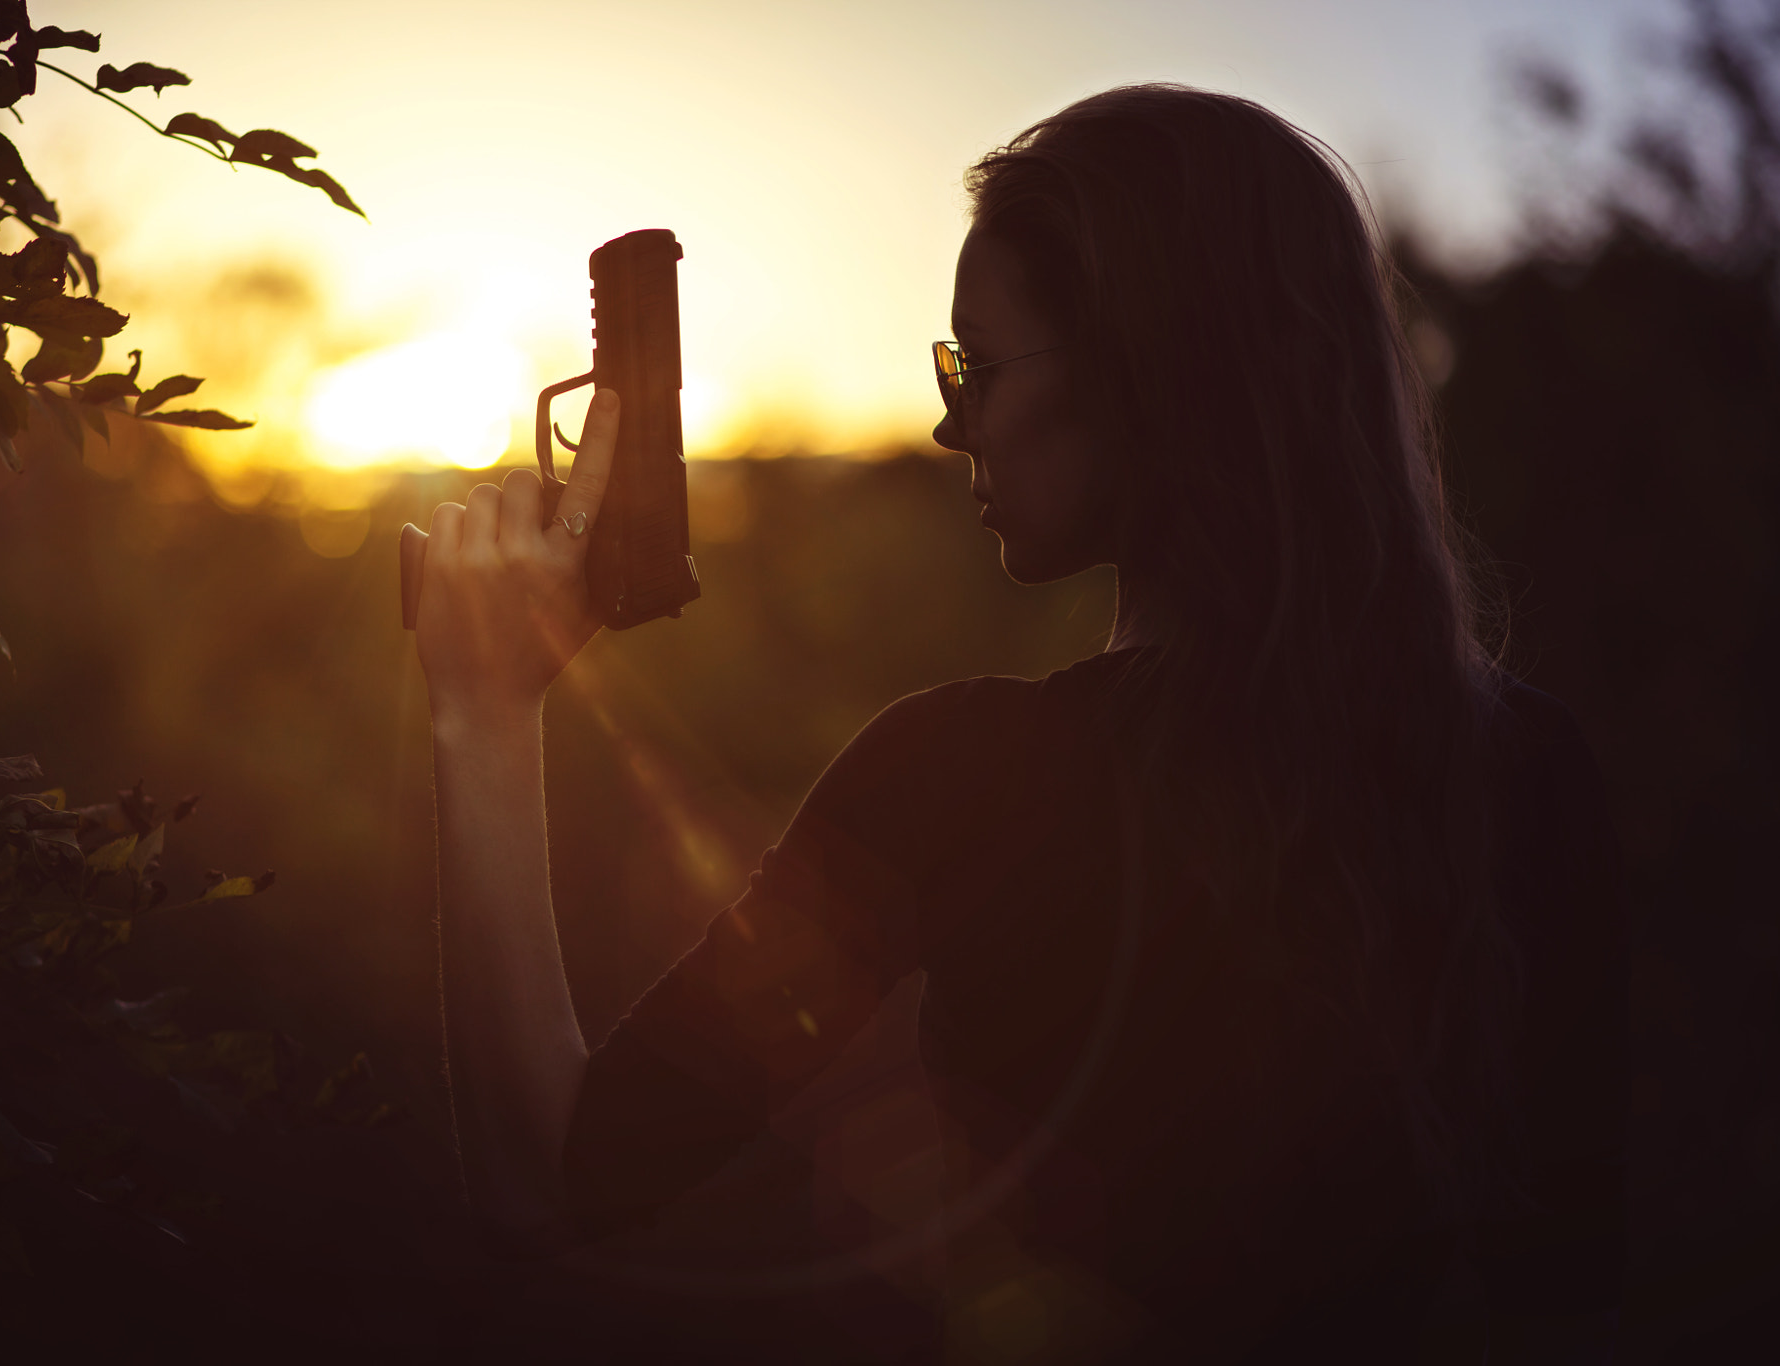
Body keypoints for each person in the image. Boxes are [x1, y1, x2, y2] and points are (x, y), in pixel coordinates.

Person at [408, 85, 1626, 1363]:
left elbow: (549, 1174)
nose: (949, 421)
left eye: (977, 366)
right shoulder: (1530, 767)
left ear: (1142, 370)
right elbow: (1570, 1298)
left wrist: (480, 710)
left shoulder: (963, 778)